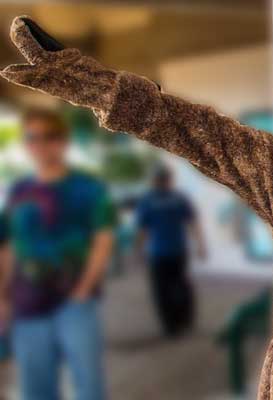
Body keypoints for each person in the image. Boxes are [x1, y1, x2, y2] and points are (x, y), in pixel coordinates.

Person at [0, 107, 116, 400]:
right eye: (32, 138)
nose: (40, 144)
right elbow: (10, 246)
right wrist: (2, 296)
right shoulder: (18, 191)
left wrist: (83, 289)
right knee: (36, 390)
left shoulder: (89, 188)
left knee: (89, 387)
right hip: (27, 303)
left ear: (63, 141)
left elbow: (103, 241)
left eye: (48, 137)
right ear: (26, 144)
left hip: (74, 302)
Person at [135, 166, 206, 337]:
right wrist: (200, 245)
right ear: (168, 180)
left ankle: (170, 326)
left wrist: (138, 250)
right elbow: (193, 223)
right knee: (181, 286)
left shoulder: (148, 201)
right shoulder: (179, 199)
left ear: (155, 181)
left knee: (162, 291)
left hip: (158, 253)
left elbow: (143, 230)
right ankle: (185, 320)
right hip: (178, 250)